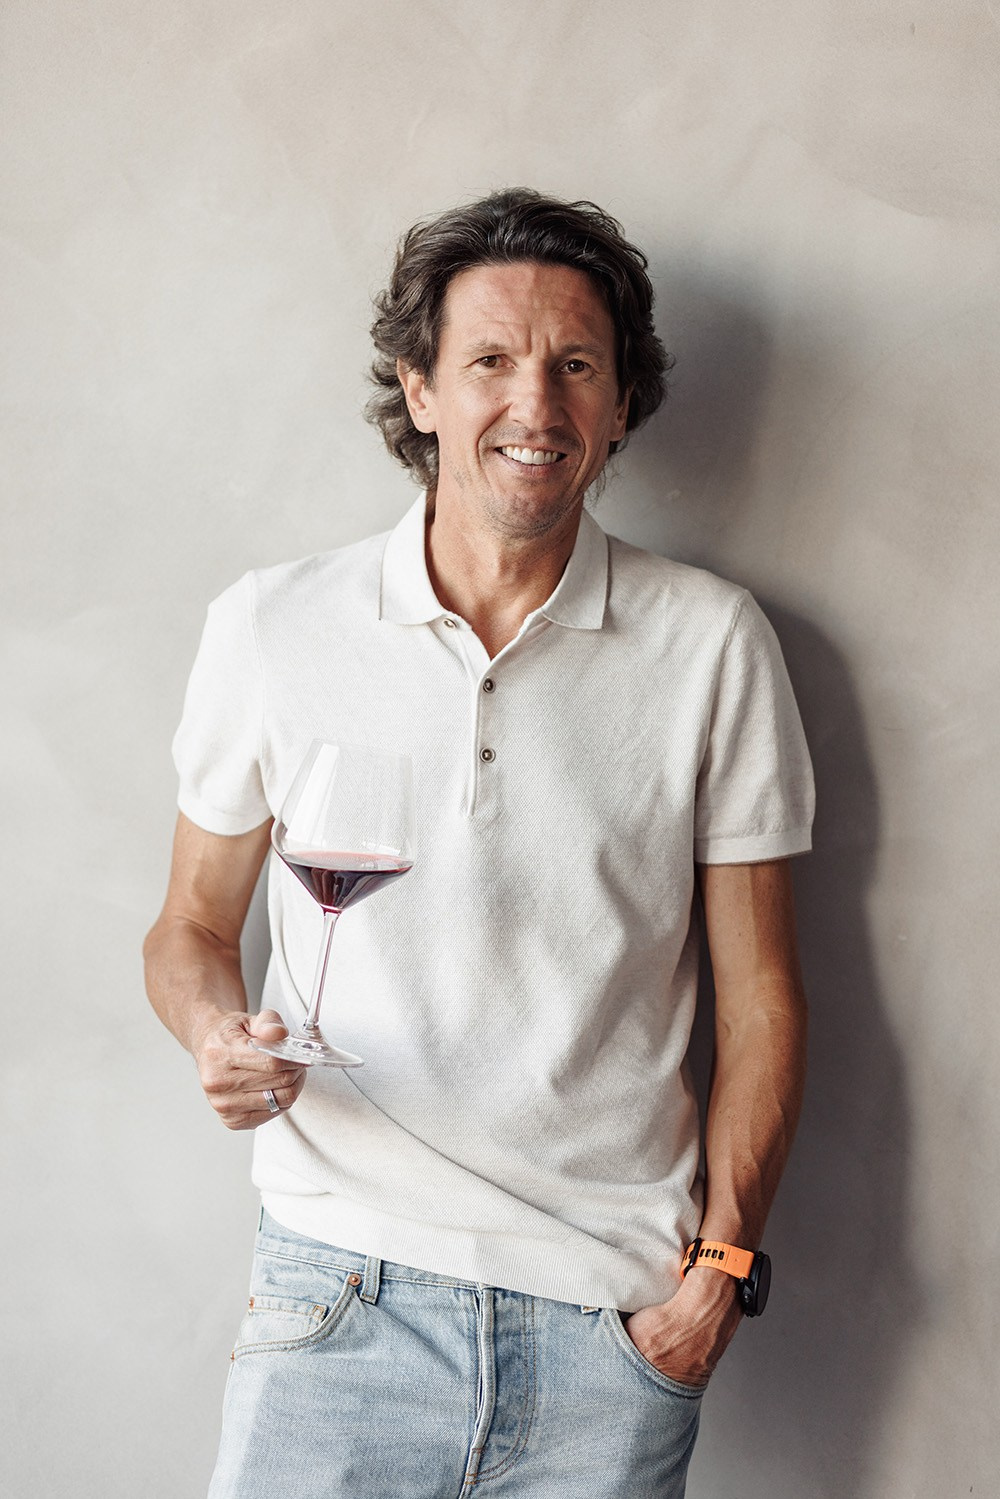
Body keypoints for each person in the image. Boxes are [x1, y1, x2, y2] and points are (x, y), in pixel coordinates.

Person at [144, 188, 814, 1498]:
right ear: (422, 390)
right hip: (337, 1297)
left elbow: (765, 997)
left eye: (577, 366)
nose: (535, 404)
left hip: (610, 1330)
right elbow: (191, 926)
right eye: (491, 361)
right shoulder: (274, 626)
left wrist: (719, 1277)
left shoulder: (712, 644)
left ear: (622, 404)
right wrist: (216, 1035)